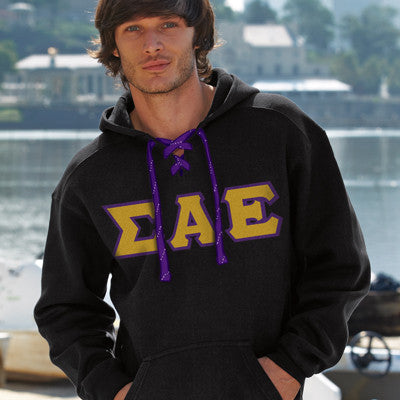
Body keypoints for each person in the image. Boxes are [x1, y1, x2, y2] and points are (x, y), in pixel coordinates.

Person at [34, 1, 371, 399]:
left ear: (198, 35)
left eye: (168, 24)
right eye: (133, 29)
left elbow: (340, 265)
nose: (152, 44)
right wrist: (113, 390)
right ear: (114, 47)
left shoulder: (278, 132)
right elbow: (65, 308)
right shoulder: (90, 176)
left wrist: (291, 366)